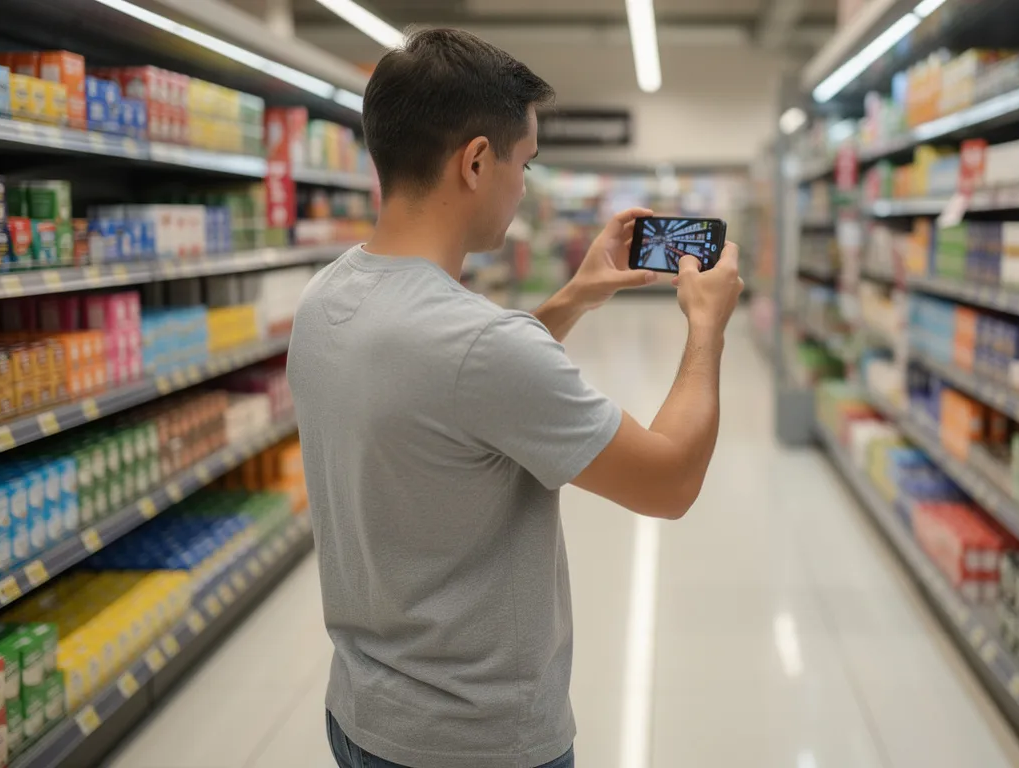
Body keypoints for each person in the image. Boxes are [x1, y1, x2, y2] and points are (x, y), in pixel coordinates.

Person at [285, 27, 743, 768]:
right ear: (475, 161)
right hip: (476, 743)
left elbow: (449, 386)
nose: (524, 185)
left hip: (362, 717)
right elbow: (670, 480)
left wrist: (576, 297)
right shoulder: (481, 347)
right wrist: (707, 327)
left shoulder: (328, 295)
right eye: (523, 162)